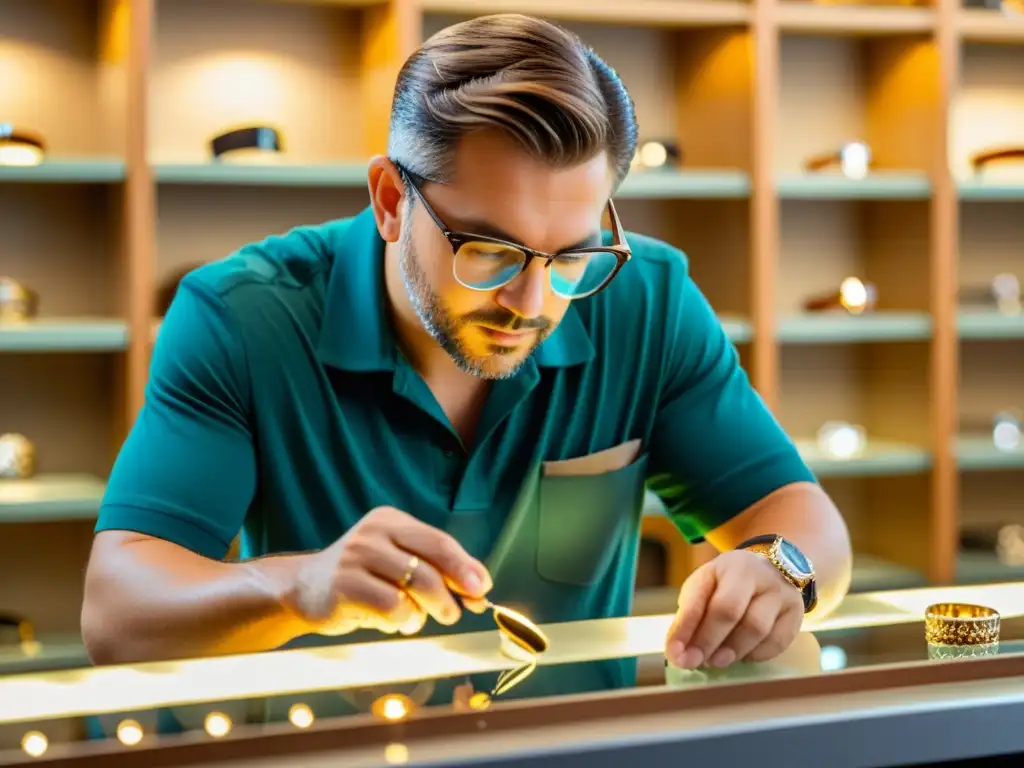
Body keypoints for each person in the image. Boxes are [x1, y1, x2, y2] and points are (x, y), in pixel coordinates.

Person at [81, 13, 852, 672]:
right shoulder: (240, 317)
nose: (531, 301)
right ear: (389, 199)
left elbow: (803, 520)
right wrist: (303, 587)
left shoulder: (647, 298)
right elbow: (116, 614)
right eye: (489, 251)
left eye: (572, 254)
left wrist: (779, 569)